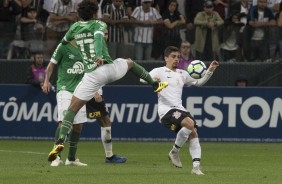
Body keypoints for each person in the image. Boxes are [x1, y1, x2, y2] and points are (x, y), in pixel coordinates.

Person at [47, 0, 168, 162]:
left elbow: (63, 43)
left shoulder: (74, 28)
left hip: (90, 76)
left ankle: (60, 141)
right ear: (94, 13)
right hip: (106, 69)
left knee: (71, 110)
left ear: (80, 15)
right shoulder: (99, 24)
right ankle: (155, 85)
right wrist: (98, 54)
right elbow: (97, 38)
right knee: (130, 62)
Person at [42, 40, 126, 166]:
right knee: (63, 122)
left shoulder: (86, 49)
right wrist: (46, 81)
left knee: (78, 125)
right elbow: (51, 64)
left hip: (80, 90)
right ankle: (56, 157)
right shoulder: (63, 46)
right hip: (65, 88)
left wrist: (96, 90)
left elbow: (90, 71)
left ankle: (71, 159)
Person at [141, 46, 219, 175]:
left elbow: (199, 83)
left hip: (179, 109)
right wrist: (152, 80)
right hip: (166, 110)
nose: (176, 59)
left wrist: (210, 71)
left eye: (178, 57)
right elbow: (142, 78)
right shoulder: (159, 71)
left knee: (193, 132)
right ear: (166, 58)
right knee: (189, 124)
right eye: (173, 56)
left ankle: (196, 167)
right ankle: (175, 151)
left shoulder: (182, 73)